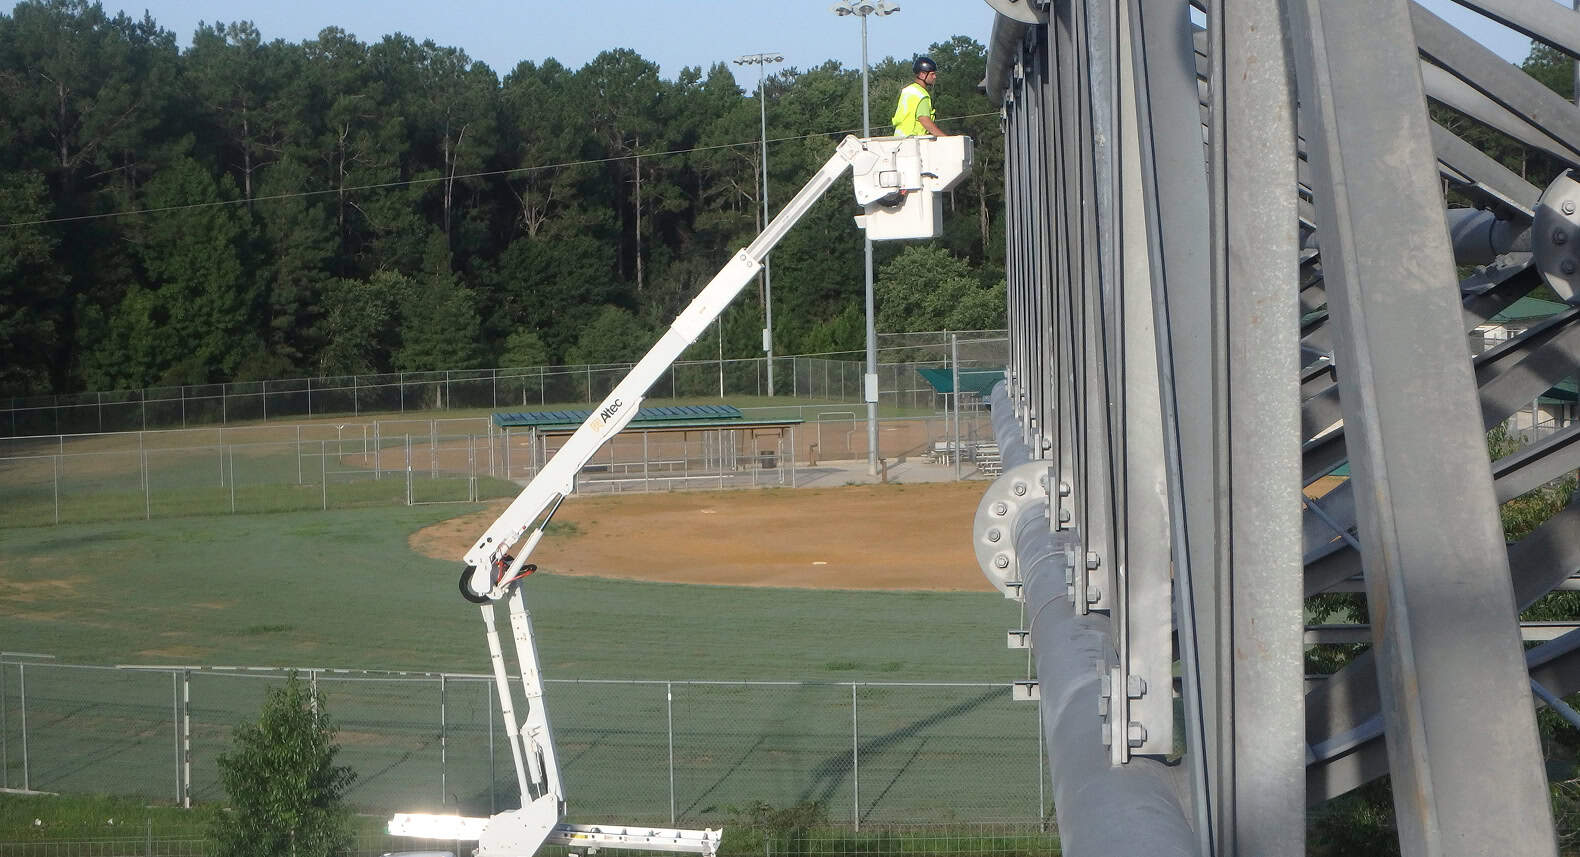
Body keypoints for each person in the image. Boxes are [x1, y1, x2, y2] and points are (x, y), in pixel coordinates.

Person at [890, 56, 949, 137]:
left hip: (899, 141)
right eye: (932, 74)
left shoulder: (908, 90)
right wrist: (946, 138)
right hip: (914, 141)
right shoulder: (922, 95)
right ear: (922, 75)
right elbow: (925, 120)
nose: (935, 77)